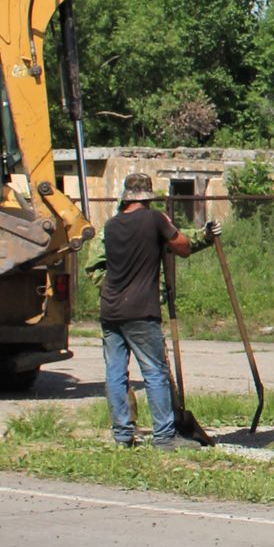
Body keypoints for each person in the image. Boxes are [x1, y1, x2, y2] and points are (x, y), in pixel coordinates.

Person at [98, 172, 214, 448]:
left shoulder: (111, 225)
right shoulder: (154, 219)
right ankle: (163, 437)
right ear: (148, 197)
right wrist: (171, 229)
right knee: (154, 372)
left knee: (116, 372)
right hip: (141, 309)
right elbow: (183, 247)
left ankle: (122, 435)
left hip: (110, 308)